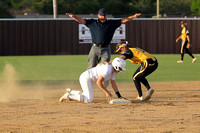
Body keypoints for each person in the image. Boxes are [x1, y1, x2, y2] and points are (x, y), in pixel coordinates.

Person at [66, 9, 141, 69]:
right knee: (91, 67)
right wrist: (73, 16)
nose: (103, 17)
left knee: (105, 68)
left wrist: (133, 16)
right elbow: (81, 20)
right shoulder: (92, 22)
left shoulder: (111, 23)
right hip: (95, 48)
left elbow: (124, 20)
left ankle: (104, 87)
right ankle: (88, 85)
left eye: (104, 15)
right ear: (98, 15)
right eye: (101, 15)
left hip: (106, 48)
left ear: (106, 16)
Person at [59, 57, 126, 103]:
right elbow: (98, 82)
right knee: (88, 99)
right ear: (116, 66)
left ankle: (71, 91)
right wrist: (107, 92)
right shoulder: (108, 70)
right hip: (85, 78)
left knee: (86, 94)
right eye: (120, 68)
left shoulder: (113, 71)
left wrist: (119, 96)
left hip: (88, 78)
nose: (121, 70)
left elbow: (113, 84)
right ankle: (69, 96)